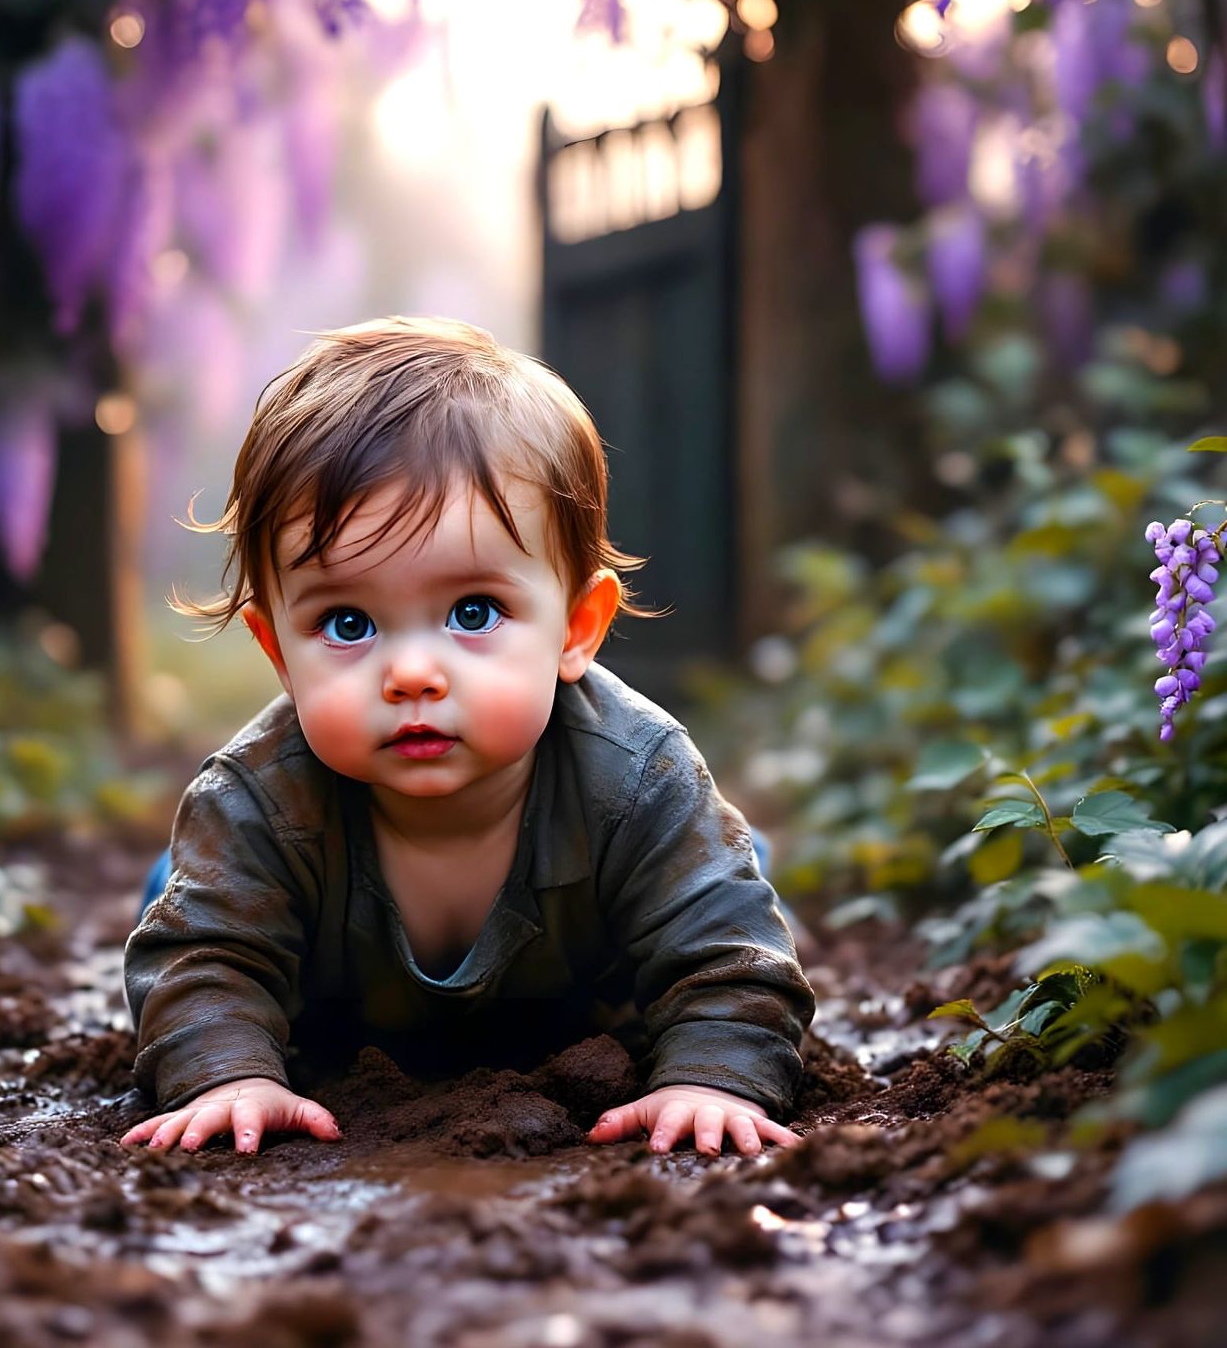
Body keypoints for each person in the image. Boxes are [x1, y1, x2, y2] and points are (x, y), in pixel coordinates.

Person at [121, 317, 815, 1161]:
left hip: (591, 988)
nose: (413, 673)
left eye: (473, 612)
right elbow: (204, 961)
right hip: (332, 997)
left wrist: (713, 1077)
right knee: (188, 898)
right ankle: (174, 875)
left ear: (577, 629)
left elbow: (729, 959)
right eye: (347, 623)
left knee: (717, 886)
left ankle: (740, 855)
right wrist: (226, 1073)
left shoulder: (639, 778)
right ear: (278, 654)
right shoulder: (259, 801)